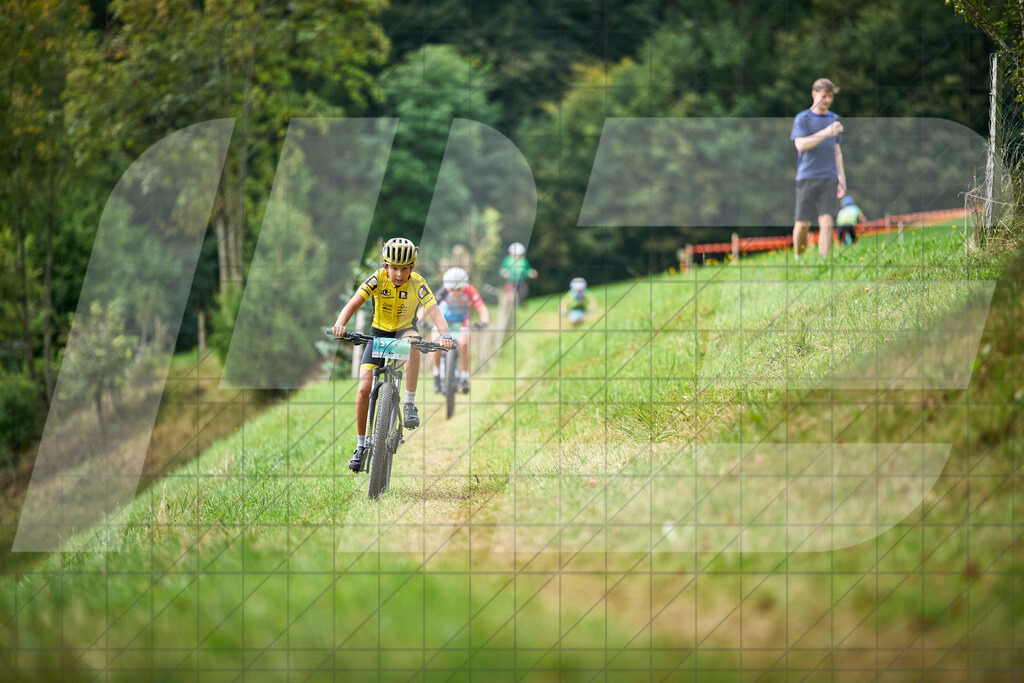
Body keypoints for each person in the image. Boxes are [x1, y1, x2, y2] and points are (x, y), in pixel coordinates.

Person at [331, 237, 454, 473]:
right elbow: (353, 303)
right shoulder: (376, 279)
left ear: (412, 267)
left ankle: (409, 403)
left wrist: (445, 335)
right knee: (363, 389)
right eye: (394, 268)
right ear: (385, 266)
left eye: (404, 269)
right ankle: (361, 445)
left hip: (406, 331)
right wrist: (340, 324)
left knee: (414, 342)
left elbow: (435, 311)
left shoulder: (418, 283)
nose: (399, 274)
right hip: (378, 333)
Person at [791, 78, 846, 259]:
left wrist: (842, 178)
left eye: (831, 96)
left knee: (827, 220)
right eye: (824, 96)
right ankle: (799, 257)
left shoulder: (833, 119)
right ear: (814, 94)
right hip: (807, 177)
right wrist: (826, 132)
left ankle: (824, 260)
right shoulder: (802, 119)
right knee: (803, 223)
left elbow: (837, 151)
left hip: (829, 177)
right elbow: (800, 145)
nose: (827, 100)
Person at [425, 266, 490, 394]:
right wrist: (420, 319)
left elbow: (481, 307)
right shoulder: (443, 291)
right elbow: (428, 306)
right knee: (435, 343)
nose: (455, 292)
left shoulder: (470, 290)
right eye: (452, 289)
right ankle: (437, 376)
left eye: (459, 289)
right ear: (447, 286)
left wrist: (484, 320)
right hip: (443, 323)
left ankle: (464, 378)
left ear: (464, 285)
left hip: (461, 323)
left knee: (464, 344)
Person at [499, 242, 537, 308]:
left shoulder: (523, 261)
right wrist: (504, 273)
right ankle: (510, 306)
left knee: (522, 294)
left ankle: (521, 303)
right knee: (510, 295)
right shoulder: (507, 260)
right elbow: (502, 269)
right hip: (510, 281)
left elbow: (527, 270)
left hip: (521, 282)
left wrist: (531, 273)